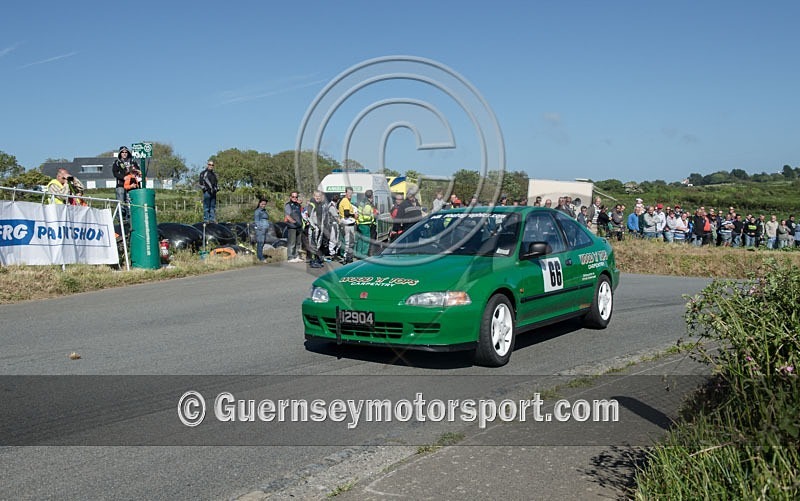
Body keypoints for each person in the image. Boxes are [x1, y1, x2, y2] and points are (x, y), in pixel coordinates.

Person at [112, 146, 139, 219]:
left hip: (132, 185)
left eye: (125, 152)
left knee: (130, 202)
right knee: (121, 201)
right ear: (120, 153)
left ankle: (130, 218)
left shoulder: (133, 162)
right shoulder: (117, 162)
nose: (124, 154)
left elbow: (138, 171)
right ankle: (120, 218)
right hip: (121, 184)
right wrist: (123, 177)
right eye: (122, 152)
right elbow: (115, 173)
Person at [305, 191, 327, 268]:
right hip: (314, 228)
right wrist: (312, 226)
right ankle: (313, 261)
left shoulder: (321, 205)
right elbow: (307, 216)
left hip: (320, 227)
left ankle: (317, 260)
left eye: (319, 196)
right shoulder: (311, 204)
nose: (318, 197)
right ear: (314, 196)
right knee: (313, 245)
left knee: (318, 245)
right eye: (316, 196)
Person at [338, 187, 357, 264]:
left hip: (348, 223)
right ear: (345, 193)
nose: (350, 194)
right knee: (348, 241)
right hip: (347, 224)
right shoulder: (345, 201)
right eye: (348, 193)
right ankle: (346, 257)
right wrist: (354, 215)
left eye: (351, 193)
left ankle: (348, 256)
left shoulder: (346, 201)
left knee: (350, 242)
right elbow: (346, 213)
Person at [356, 189, 376, 258]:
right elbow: (366, 215)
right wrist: (372, 217)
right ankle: (364, 255)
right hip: (365, 224)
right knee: (366, 240)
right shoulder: (367, 204)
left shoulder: (362, 202)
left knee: (360, 240)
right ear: (371, 196)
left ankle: (358, 254)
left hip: (360, 223)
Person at [284, 191, 303, 263]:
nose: (295, 198)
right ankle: (290, 257)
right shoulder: (288, 205)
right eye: (293, 197)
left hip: (299, 226)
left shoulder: (298, 205)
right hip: (292, 226)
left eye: (296, 197)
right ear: (290, 197)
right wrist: (294, 222)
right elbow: (287, 216)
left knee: (298, 242)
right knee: (292, 242)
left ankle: (296, 256)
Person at [325, 193, 341, 260]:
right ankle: (332, 254)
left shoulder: (332, 205)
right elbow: (335, 216)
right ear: (338, 200)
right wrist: (340, 221)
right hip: (333, 224)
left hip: (334, 224)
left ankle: (334, 253)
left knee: (335, 239)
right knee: (333, 239)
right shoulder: (331, 206)